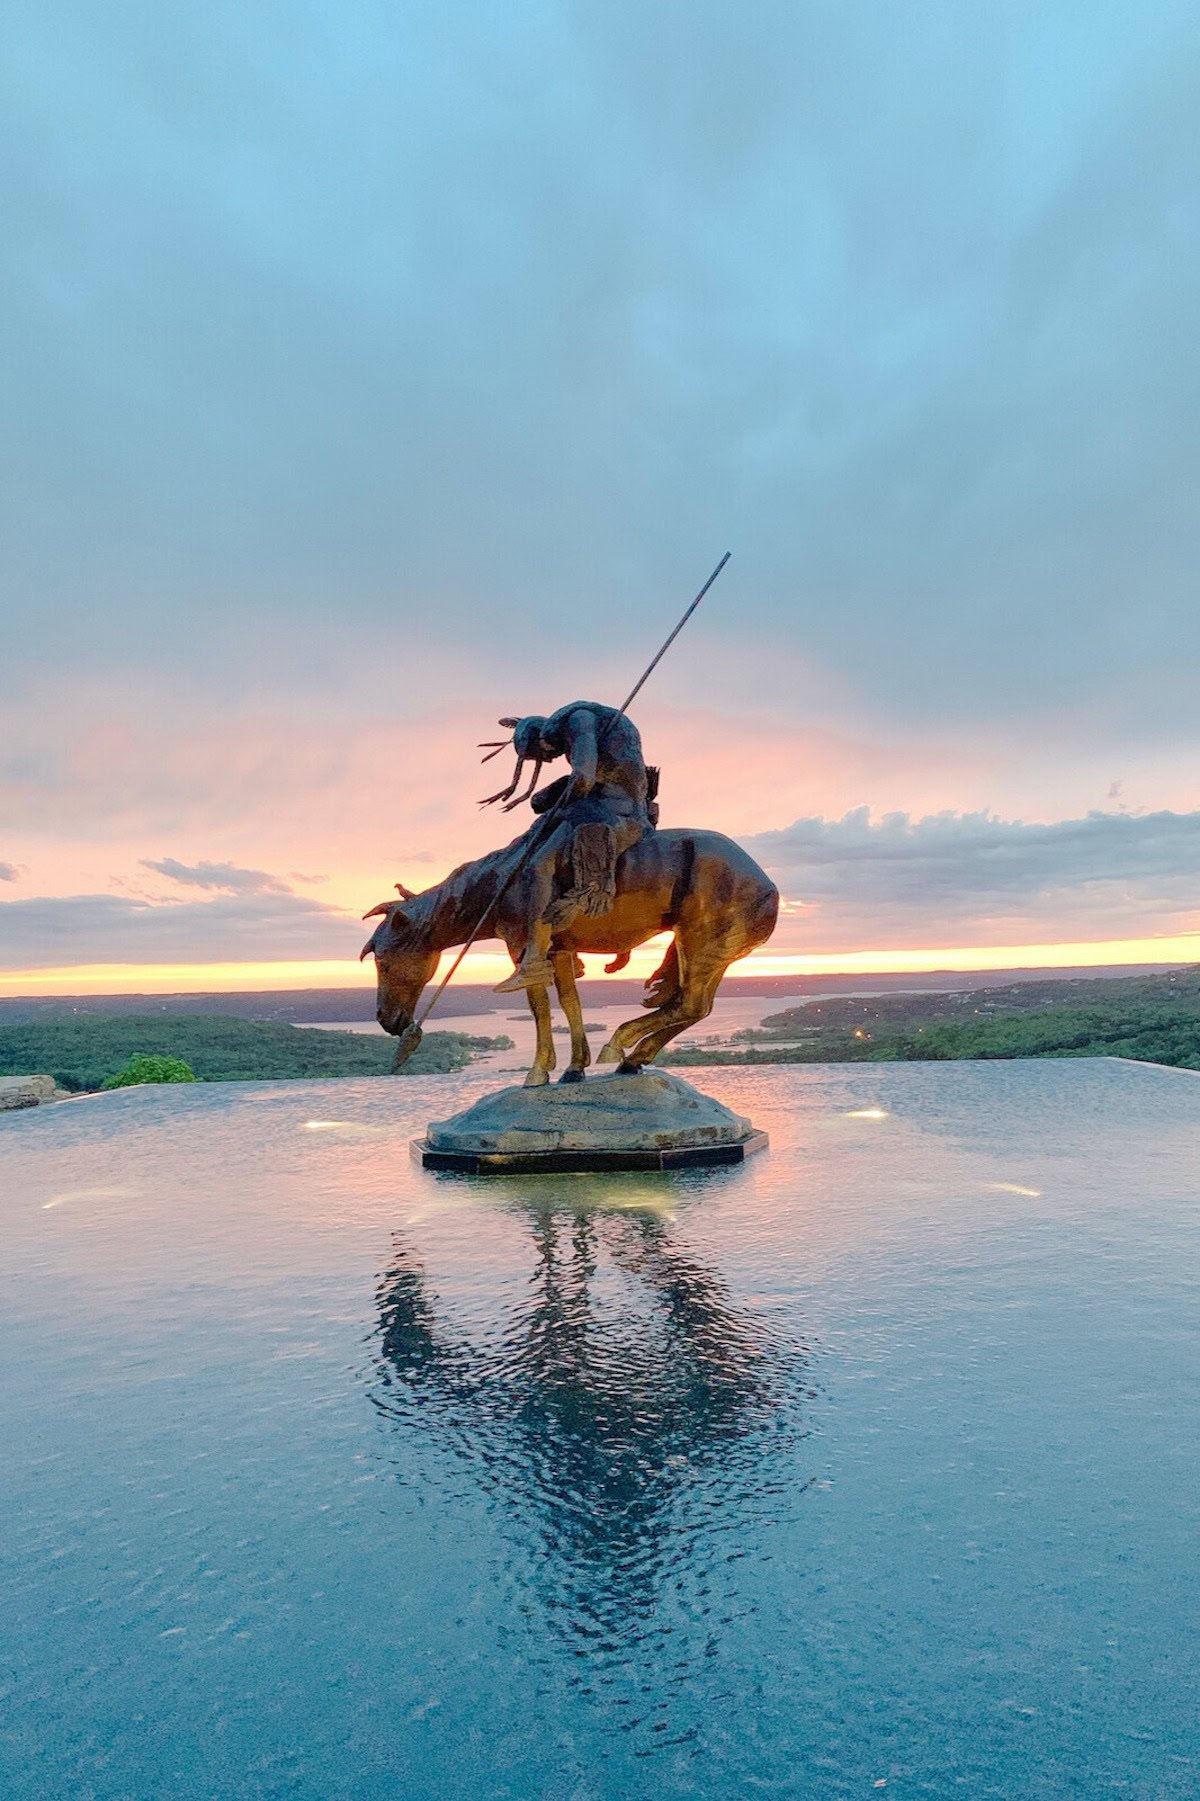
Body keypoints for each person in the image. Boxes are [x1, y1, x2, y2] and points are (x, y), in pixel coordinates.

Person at [479, 701, 656, 993]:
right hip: (614, 802)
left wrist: (558, 809)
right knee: (541, 805)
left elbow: (583, 779)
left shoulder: (580, 720)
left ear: (541, 738)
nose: (549, 758)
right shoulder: (588, 721)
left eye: (544, 754)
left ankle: (534, 961)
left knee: (539, 866)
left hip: (613, 810)